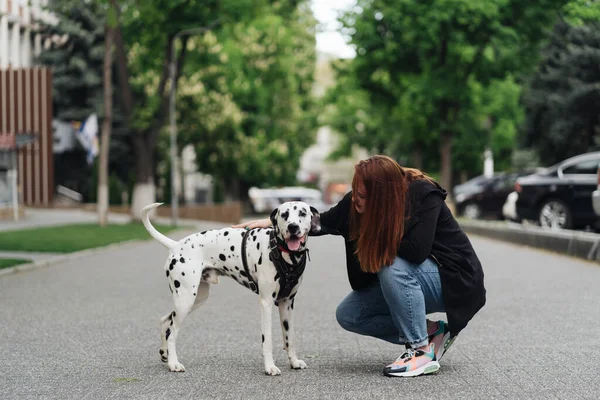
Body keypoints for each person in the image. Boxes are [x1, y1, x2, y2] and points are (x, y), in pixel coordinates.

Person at [234, 155, 486, 377]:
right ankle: (432, 332)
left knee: (392, 264)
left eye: (363, 195)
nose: (356, 198)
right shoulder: (356, 203)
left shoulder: (423, 195)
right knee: (351, 314)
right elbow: (321, 222)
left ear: (383, 196)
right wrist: (272, 223)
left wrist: (374, 228)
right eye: (355, 190)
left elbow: (416, 252)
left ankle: (420, 350)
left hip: (454, 279)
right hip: (416, 279)